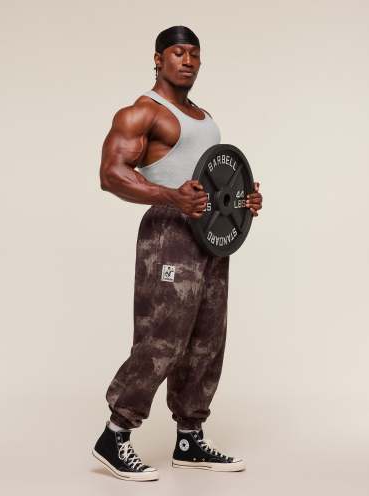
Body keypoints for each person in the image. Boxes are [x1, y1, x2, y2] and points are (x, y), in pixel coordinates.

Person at [92, 25, 263, 482]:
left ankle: (190, 438)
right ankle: (115, 435)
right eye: (178, 53)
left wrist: (242, 200)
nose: (187, 61)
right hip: (169, 232)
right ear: (158, 58)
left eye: (194, 55)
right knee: (162, 338)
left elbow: (214, 181)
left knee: (207, 339)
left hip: (212, 237)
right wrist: (173, 197)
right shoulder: (143, 112)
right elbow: (111, 175)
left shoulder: (205, 118)